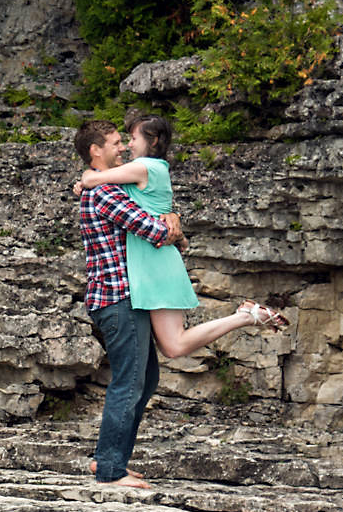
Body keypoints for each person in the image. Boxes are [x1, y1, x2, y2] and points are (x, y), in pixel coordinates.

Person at [72, 117, 284, 491]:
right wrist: (171, 225)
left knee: (145, 379)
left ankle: (110, 459)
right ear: (96, 151)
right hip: (117, 298)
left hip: (127, 296)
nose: (122, 147)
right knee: (129, 382)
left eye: (126, 140)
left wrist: (172, 220)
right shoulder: (105, 193)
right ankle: (109, 469)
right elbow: (154, 230)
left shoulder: (111, 186)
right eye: (116, 142)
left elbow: (153, 210)